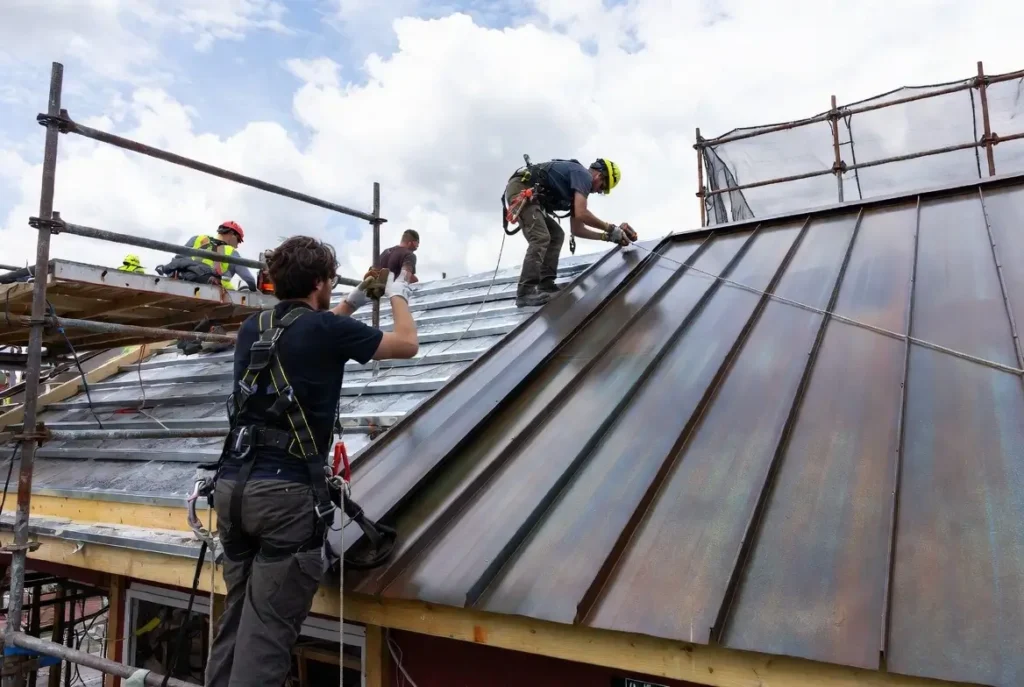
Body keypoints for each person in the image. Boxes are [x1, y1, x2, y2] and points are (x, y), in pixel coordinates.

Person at [205, 236, 418, 687]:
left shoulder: (253, 327)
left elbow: (309, 326)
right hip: (283, 499)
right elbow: (406, 344)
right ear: (320, 281)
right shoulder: (326, 332)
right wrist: (398, 294)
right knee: (266, 638)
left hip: (233, 489)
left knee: (238, 618)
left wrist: (355, 299)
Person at [504, 157, 636, 307]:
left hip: (531, 198)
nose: (598, 191)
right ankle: (525, 292)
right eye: (602, 187)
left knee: (556, 235)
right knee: (540, 237)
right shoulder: (583, 176)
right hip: (522, 190)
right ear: (599, 176)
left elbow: (577, 230)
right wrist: (611, 228)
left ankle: (545, 283)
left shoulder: (576, 189)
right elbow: (582, 213)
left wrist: (607, 237)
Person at [182, 221, 258, 291]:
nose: (237, 245)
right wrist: (254, 291)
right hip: (214, 291)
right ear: (232, 234)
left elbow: (179, 259)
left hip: (183, 281)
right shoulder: (232, 252)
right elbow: (249, 279)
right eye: (238, 241)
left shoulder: (196, 239)